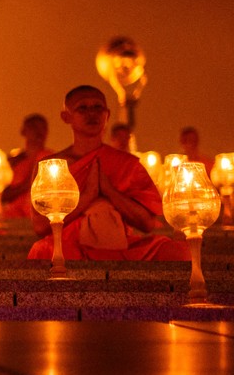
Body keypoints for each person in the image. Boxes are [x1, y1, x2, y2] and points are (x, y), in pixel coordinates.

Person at [26, 85, 187, 263]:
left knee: (176, 251)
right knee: (42, 250)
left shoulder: (126, 163)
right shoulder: (52, 167)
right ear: (66, 117)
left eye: (98, 107)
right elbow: (40, 226)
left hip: (120, 245)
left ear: (107, 115)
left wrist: (110, 192)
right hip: (69, 246)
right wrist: (88, 196)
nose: (91, 113)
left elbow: (147, 223)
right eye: (82, 108)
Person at [2, 113, 50, 220]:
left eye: (43, 128)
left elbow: (31, 183)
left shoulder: (47, 158)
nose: (39, 132)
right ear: (23, 131)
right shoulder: (15, 161)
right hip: (12, 216)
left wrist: (4, 195)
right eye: (34, 127)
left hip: (34, 216)